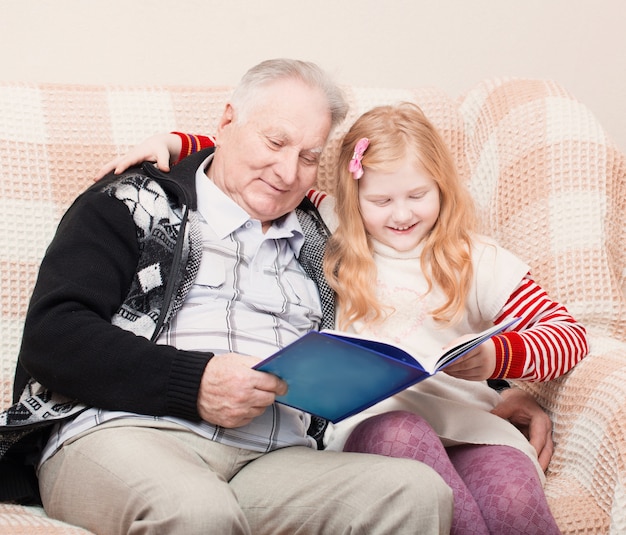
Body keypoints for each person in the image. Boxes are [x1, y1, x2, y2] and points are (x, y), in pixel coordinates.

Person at [0, 59, 456, 535]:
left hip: (276, 459)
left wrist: (494, 392)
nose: (286, 171)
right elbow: (52, 336)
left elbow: (420, 298)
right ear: (226, 122)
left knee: (415, 492)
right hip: (127, 434)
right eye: (275, 142)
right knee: (198, 514)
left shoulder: (327, 237)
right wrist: (194, 382)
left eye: (307, 157)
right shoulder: (131, 203)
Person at [96, 102, 585, 534]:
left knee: (516, 499)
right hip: (372, 424)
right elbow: (252, 164)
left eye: (418, 196)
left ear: (443, 187)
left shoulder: (473, 257)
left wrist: (498, 357)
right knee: (404, 435)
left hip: (470, 419)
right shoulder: (333, 228)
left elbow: (568, 335)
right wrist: (176, 142)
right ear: (354, 197)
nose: (400, 215)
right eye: (381, 201)